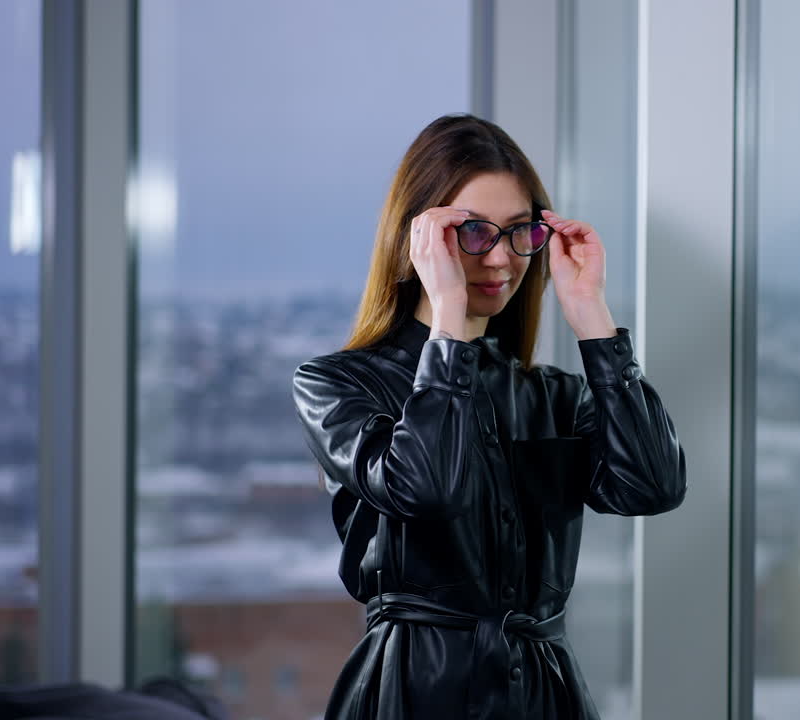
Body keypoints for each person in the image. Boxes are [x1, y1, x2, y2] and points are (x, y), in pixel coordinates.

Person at [290, 113, 687, 720]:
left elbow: (652, 486)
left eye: (519, 232)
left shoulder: (554, 396)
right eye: (472, 232)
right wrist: (447, 313)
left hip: (545, 695)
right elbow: (427, 488)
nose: (500, 258)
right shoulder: (338, 383)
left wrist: (593, 319)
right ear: (418, 238)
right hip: (412, 694)